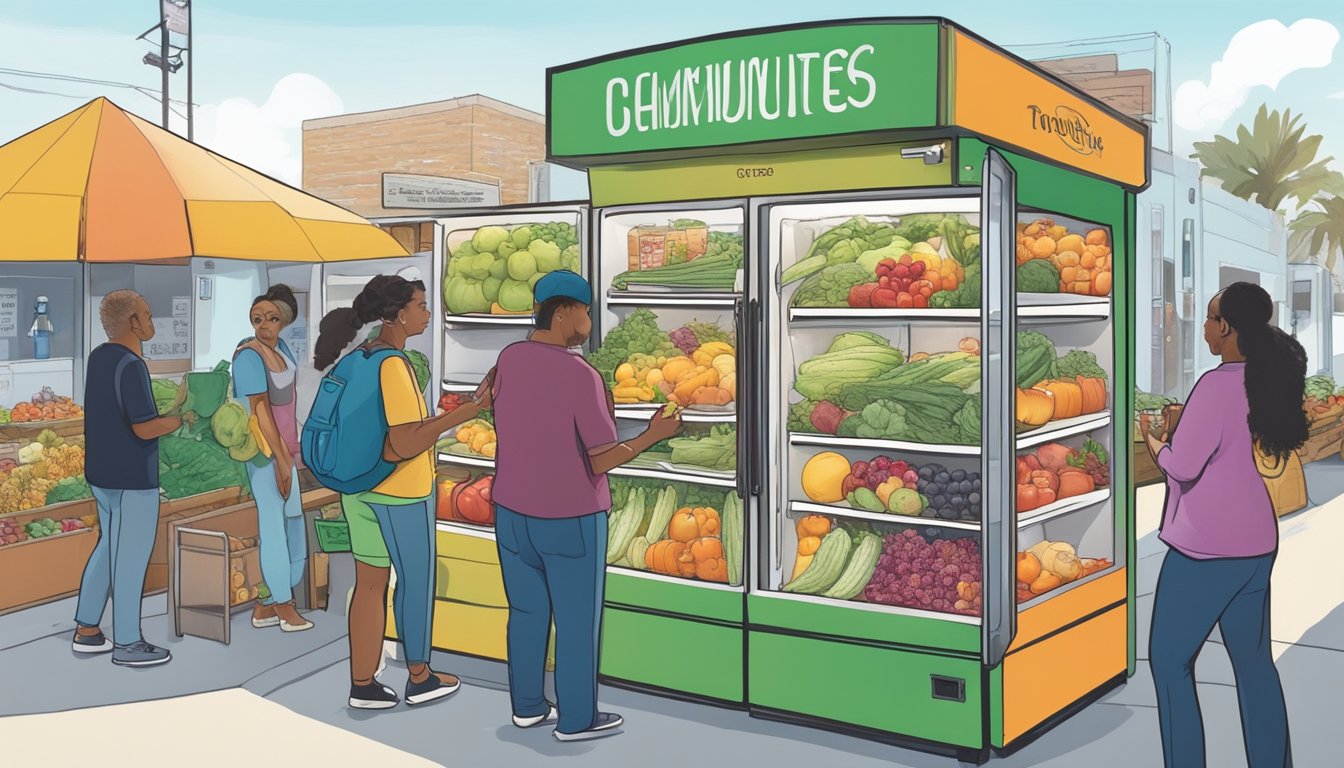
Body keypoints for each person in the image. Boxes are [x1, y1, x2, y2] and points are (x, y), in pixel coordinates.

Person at [487, 270, 681, 742]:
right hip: (569, 516)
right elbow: (601, 458)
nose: (590, 319)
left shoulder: (509, 358)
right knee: (576, 621)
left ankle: (528, 708)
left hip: (511, 511)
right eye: (587, 310)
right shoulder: (581, 375)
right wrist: (653, 435)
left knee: (527, 613)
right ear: (563, 312)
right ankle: (577, 720)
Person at [312, 275, 488, 709]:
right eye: (421, 305)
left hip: (358, 488)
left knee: (370, 586)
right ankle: (420, 676)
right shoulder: (393, 364)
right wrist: (466, 412)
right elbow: (406, 442)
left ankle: (362, 683)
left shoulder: (355, 359)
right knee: (414, 582)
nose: (427, 313)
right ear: (396, 313)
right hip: (402, 493)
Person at [1145, 281, 1303, 768]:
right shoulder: (1266, 376)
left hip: (1205, 549)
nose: (1208, 328)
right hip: (1256, 541)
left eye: (1213, 320)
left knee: (1170, 663)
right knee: (1254, 667)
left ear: (1228, 327)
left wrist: (1155, 442)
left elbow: (1184, 465)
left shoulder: (1216, 384)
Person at [72, 290, 182, 667]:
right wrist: (179, 419)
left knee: (108, 548)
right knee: (131, 558)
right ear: (133, 322)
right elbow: (144, 429)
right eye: (148, 315)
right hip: (132, 477)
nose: (152, 322)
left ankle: (88, 629)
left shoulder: (100, 357)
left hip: (101, 473)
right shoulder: (132, 366)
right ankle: (129, 643)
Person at [233, 284, 311, 632]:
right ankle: (283, 603)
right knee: (274, 526)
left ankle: (265, 606)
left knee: (294, 522)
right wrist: (280, 459)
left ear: (284, 321)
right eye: (257, 319)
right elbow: (260, 410)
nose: (263, 325)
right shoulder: (249, 356)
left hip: (288, 450)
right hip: (265, 453)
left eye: (271, 319)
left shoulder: (283, 350)